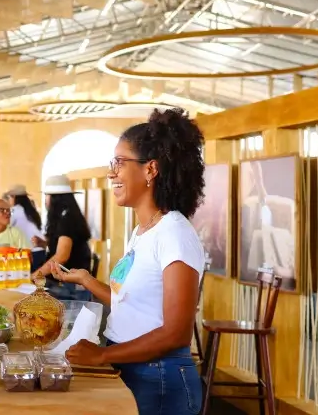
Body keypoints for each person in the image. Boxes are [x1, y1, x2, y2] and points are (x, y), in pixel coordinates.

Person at [50, 108, 206, 414]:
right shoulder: (144, 230)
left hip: (158, 376)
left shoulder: (174, 234)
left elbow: (176, 332)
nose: (111, 173)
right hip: (133, 366)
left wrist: (101, 356)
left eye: (119, 163)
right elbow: (131, 304)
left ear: (150, 169)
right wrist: (86, 280)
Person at [33, 174, 93, 301]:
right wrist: (44, 244)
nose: (45, 200)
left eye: (46, 196)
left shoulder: (67, 219)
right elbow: (66, 245)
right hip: (70, 285)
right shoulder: (67, 215)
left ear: (55, 198)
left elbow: (62, 256)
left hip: (70, 288)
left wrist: (36, 275)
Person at [6, 184, 46, 271]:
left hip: (30, 253)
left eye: (9, 197)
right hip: (40, 251)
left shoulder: (15, 210)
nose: (8, 200)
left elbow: (5, 227)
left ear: (14, 197)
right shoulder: (31, 210)